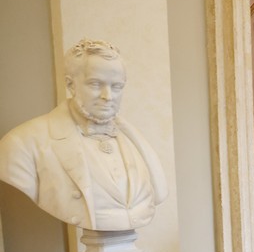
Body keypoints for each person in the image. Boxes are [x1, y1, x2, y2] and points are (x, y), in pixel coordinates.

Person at [0, 38, 167, 230]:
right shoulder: (21, 144)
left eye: (116, 86)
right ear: (70, 84)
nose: (108, 96)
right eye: (95, 84)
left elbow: (158, 192)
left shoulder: (133, 139)